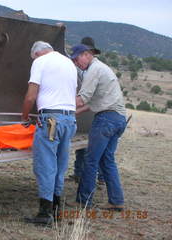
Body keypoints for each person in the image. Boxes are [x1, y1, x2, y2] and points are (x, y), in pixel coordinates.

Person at [22, 41, 77, 225]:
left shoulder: (40, 61)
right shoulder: (69, 63)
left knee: (45, 166)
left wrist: (24, 117)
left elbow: (31, 95)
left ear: (37, 54)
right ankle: (56, 211)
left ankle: (45, 215)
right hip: (69, 120)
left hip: (51, 120)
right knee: (60, 166)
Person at [68, 44, 126, 211]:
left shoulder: (93, 71)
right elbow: (91, 103)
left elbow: (82, 99)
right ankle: (116, 200)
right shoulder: (103, 68)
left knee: (90, 160)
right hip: (118, 119)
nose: (76, 63)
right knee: (107, 160)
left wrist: (58, 104)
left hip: (106, 119)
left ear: (86, 55)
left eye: (76, 59)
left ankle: (83, 201)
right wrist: (73, 112)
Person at [69, 37, 104, 184]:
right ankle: (78, 173)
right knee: (84, 147)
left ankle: (100, 177)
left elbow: (92, 99)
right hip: (88, 111)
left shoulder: (95, 70)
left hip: (99, 113)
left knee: (98, 148)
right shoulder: (84, 69)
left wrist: (70, 109)